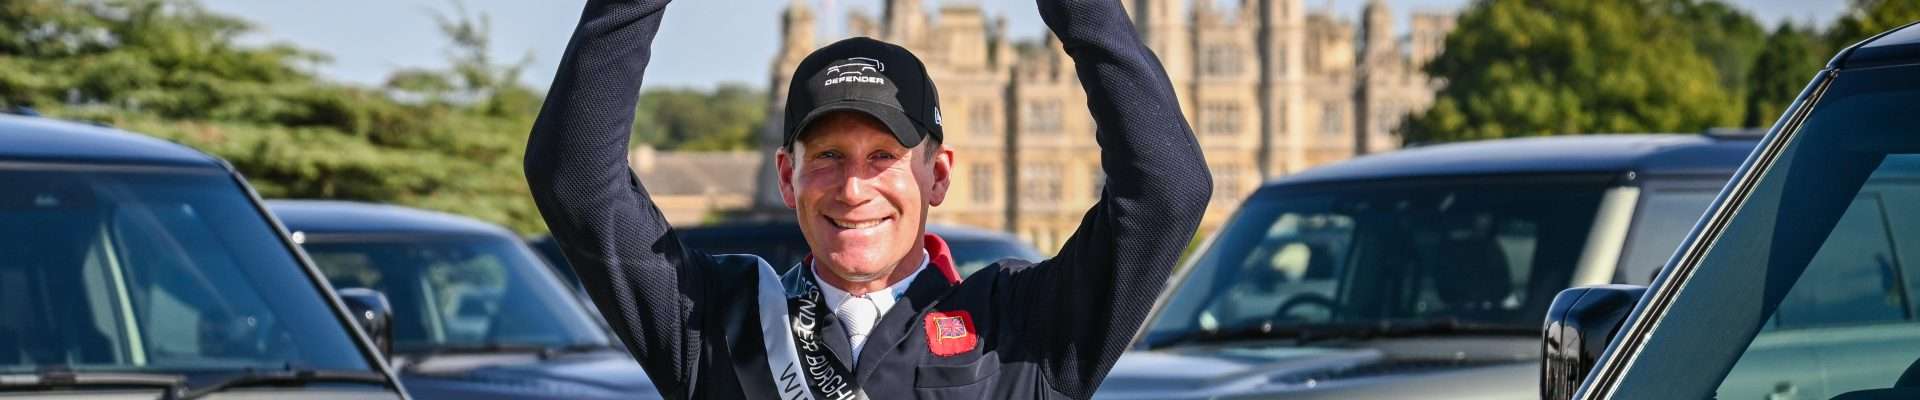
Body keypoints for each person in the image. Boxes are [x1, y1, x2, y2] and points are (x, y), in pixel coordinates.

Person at [524, 0, 1210, 398]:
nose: (854, 188)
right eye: (827, 157)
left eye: (884, 157)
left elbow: (1168, 190)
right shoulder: (716, 319)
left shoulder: (1022, 327)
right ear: (788, 178)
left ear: (938, 175)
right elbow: (575, 180)